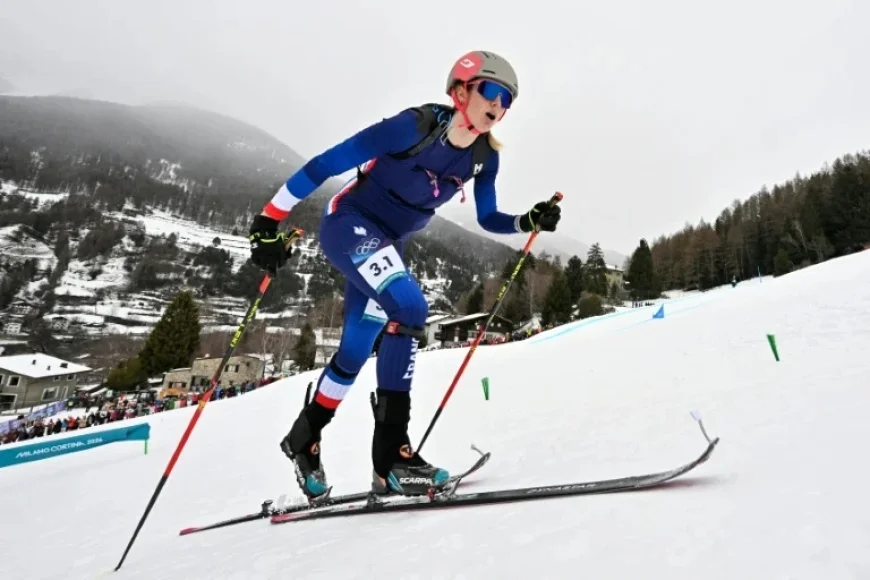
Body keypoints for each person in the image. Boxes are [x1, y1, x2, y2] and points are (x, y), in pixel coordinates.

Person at [248, 50, 562, 502]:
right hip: (350, 224)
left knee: (354, 353)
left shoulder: (482, 157)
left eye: (508, 100)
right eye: (491, 91)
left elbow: (489, 216)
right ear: (460, 91)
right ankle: (392, 459)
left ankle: (304, 436)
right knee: (411, 306)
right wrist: (267, 220)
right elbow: (325, 164)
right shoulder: (414, 127)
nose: (499, 105)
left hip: (388, 245)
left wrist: (526, 220)